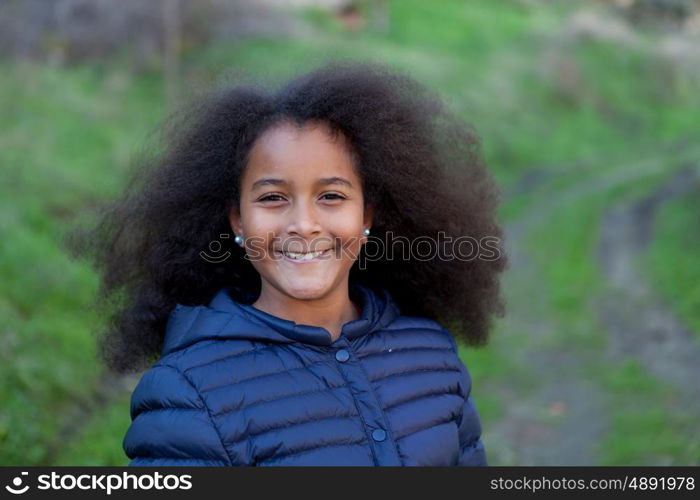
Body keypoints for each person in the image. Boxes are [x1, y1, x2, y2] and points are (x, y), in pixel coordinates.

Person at [75, 61, 508, 466]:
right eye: (272, 198)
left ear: (368, 217)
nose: (303, 224)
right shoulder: (186, 392)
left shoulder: (431, 353)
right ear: (237, 220)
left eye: (332, 196)